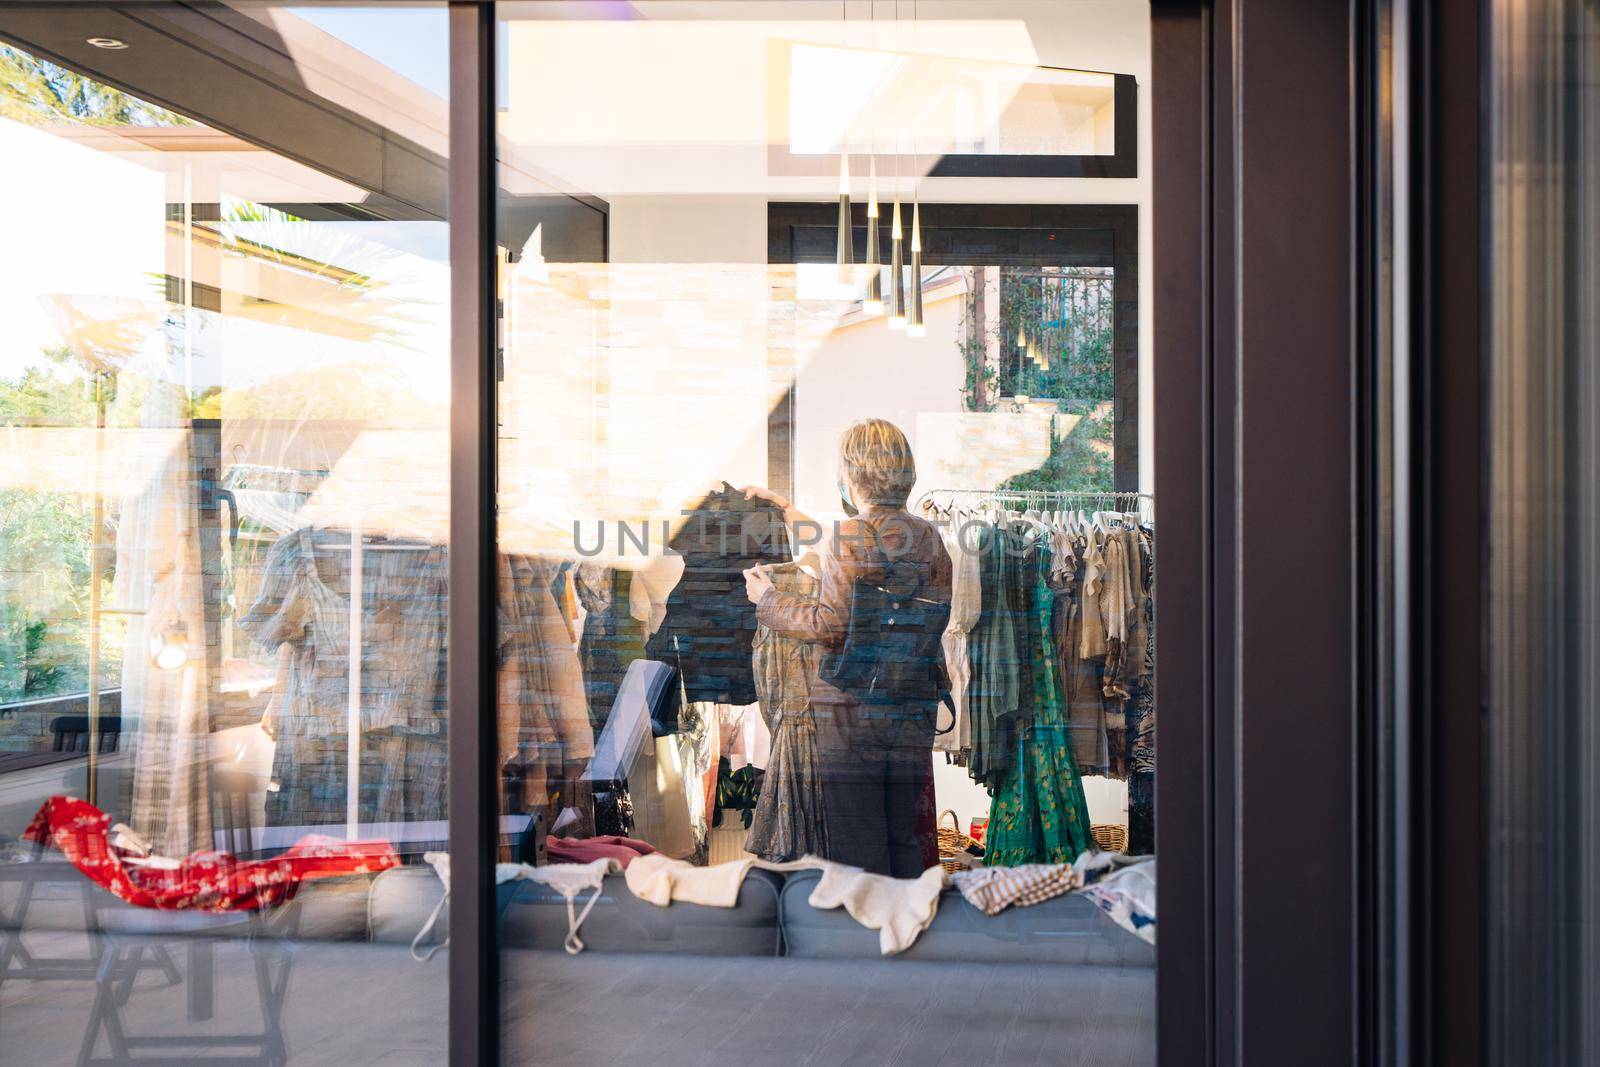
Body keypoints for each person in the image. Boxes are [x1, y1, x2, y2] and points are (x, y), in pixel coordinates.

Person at [741, 418, 952, 877]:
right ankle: (907, 932)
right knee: (902, 836)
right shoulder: (930, 538)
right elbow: (937, 619)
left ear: (854, 473)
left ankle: (863, 942)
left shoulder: (850, 536)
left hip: (851, 710)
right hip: (914, 704)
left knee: (858, 843)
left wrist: (768, 601)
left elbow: (830, 627)